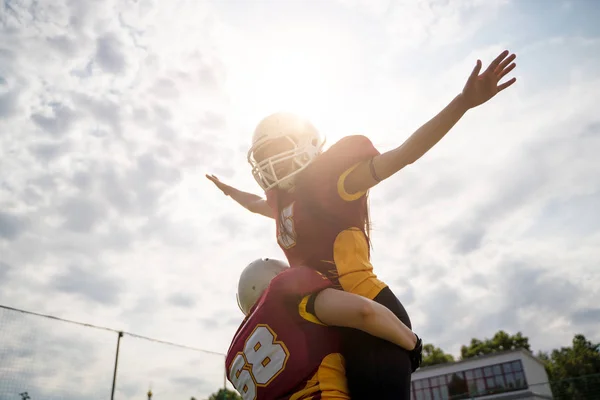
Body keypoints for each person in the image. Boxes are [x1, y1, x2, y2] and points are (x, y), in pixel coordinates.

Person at [213, 50, 518, 398]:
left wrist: (462, 103)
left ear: (306, 144)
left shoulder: (334, 182)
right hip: (331, 320)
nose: (271, 162)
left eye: (277, 149)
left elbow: (403, 154)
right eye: (264, 157)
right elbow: (255, 204)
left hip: (369, 310)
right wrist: (228, 192)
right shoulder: (286, 206)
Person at [226, 258, 423, 400]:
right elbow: (364, 312)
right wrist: (412, 343)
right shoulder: (286, 296)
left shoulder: (234, 358)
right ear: (277, 274)